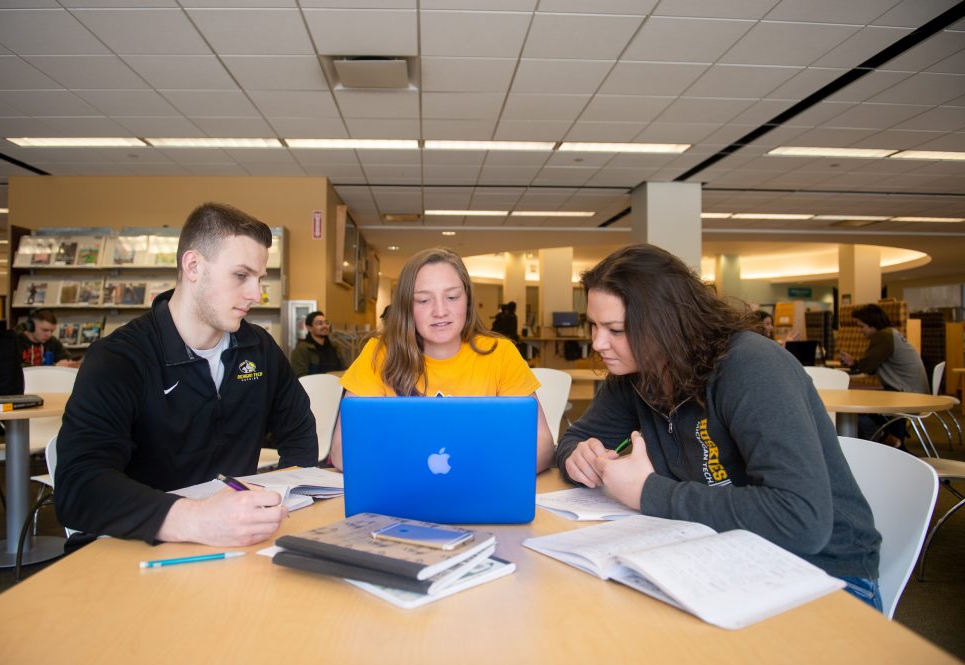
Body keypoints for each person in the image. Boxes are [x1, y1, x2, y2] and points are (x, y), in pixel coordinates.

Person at [557, 244, 883, 611]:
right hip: (714, 550)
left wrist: (648, 492)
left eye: (615, 329)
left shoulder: (751, 367)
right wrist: (578, 457)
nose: (598, 344)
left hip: (824, 571)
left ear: (667, 323)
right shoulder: (633, 374)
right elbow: (575, 438)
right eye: (594, 326)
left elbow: (802, 519)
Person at [55, 202, 318, 549]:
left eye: (259, 279)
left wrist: (280, 498)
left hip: (236, 545)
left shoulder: (259, 349)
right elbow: (79, 487)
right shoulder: (119, 358)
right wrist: (196, 520)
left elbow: (299, 431)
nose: (255, 294)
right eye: (241, 276)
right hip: (135, 547)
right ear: (193, 265)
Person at [330, 247, 554, 473]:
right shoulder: (379, 354)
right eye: (424, 300)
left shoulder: (500, 353)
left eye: (452, 297)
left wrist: (484, 472)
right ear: (407, 306)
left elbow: (542, 442)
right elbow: (340, 450)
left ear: (467, 300)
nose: (440, 311)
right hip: (400, 495)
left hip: (481, 491)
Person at [839, 303, 928, 448]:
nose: (861, 331)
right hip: (913, 392)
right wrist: (854, 363)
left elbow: (868, 367)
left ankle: (885, 439)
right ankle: (890, 440)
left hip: (904, 395)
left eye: (862, 326)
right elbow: (871, 367)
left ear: (873, 324)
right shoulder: (891, 333)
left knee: (856, 411)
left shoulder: (882, 336)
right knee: (862, 405)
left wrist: (852, 366)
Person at [14, 308, 79, 368]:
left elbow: (66, 357)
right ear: (30, 326)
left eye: (52, 331)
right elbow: (15, 368)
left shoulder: (52, 341)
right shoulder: (15, 342)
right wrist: (54, 366)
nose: (49, 335)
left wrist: (71, 363)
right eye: (45, 330)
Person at [289, 311, 347, 377]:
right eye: (320, 323)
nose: (325, 326)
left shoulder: (334, 346)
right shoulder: (301, 349)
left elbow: (344, 369)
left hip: (336, 385)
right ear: (309, 328)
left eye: (326, 323)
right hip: (313, 386)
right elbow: (301, 376)